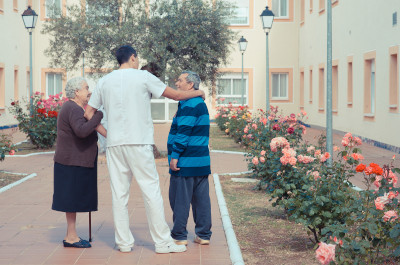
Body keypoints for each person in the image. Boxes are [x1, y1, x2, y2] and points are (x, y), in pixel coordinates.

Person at [84, 45, 205, 253]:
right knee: (151, 191)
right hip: (139, 142)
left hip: (115, 144)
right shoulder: (143, 77)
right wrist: (199, 91)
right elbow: (175, 95)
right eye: (137, 58)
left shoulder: (104, 81)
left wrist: (107, 133)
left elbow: (88, 113)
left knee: (119, 195)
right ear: (133, 57)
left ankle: (123, 243)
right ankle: (162, 243)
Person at [52, 77, 106, 248]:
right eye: (86, 88)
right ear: (76, 92)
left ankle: (71, 235)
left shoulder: (72, 107)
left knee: (72, 200)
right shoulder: (73, 108)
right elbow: (82, 131)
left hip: (72, 161)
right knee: (71, 199)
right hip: (72, 162)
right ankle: (71, 237)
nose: (89, 91)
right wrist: (98, 115)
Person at [168, 71, 212, 246]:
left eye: (180, 81)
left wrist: (174, 156)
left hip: (186, 161)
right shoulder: (198, 103)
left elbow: (183, 133)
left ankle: (179, 236)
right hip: (201, 162)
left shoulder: (189, 105)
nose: (177, 84)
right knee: (202, 200)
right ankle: (204, 235)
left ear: (190, 85)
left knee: (179, 199)